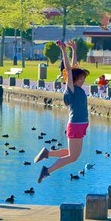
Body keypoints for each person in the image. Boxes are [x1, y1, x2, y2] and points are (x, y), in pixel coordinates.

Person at [36, 40, 89, 184]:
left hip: (80, 125)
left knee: (72, 154)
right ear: (73, 79)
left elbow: (74, 67)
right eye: (81, 79)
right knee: (73, 157)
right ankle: (47, 171)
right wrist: (63, 51)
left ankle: (47, 153)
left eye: (84, 79)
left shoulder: (77, 88)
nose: (83, 81)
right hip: (76, 125)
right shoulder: (71, 89)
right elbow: (69, 69)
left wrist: (74, 50)